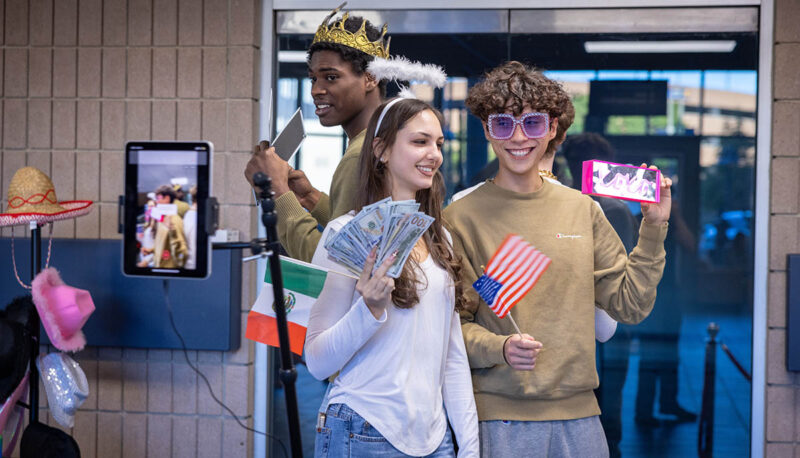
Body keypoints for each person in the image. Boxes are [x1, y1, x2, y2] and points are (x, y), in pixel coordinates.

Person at [443, 61, 671, 457]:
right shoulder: (459, 217)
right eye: (502, 123)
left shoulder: (583, 209)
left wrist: (653, 228)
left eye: (532, 123)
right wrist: (500, 347)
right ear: (486, 129)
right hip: (497, 419)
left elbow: (630, 306)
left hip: (581, 419)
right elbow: (449, 328)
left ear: (552, 129)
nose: (517, 137)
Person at [305, 97, 479, 457]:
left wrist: (469, 445)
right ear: (381, 150)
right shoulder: (344, 233)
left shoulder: (439, 237)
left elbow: (452, 355)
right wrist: (367, 308)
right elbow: (318, 360)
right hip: (362, 429)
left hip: (435, 438)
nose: (435, 154)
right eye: (420, 141)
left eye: (439, 144)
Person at [244, 5, 389, 262]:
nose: (316, 90)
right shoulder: (382, 139)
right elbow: (357, 236)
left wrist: (278, 191)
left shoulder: (362, 154)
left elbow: (334, 264)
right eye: (313, 79)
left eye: (331, 77)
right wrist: (309, 197)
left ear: (371, 78)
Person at [561, 133, 640, 457]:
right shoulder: (563, 203)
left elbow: (623, 271)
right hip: (576, 318)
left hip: (602, 315)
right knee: (603, 394)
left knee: (607, 394)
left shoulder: (610, 208)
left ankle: (609, 446)